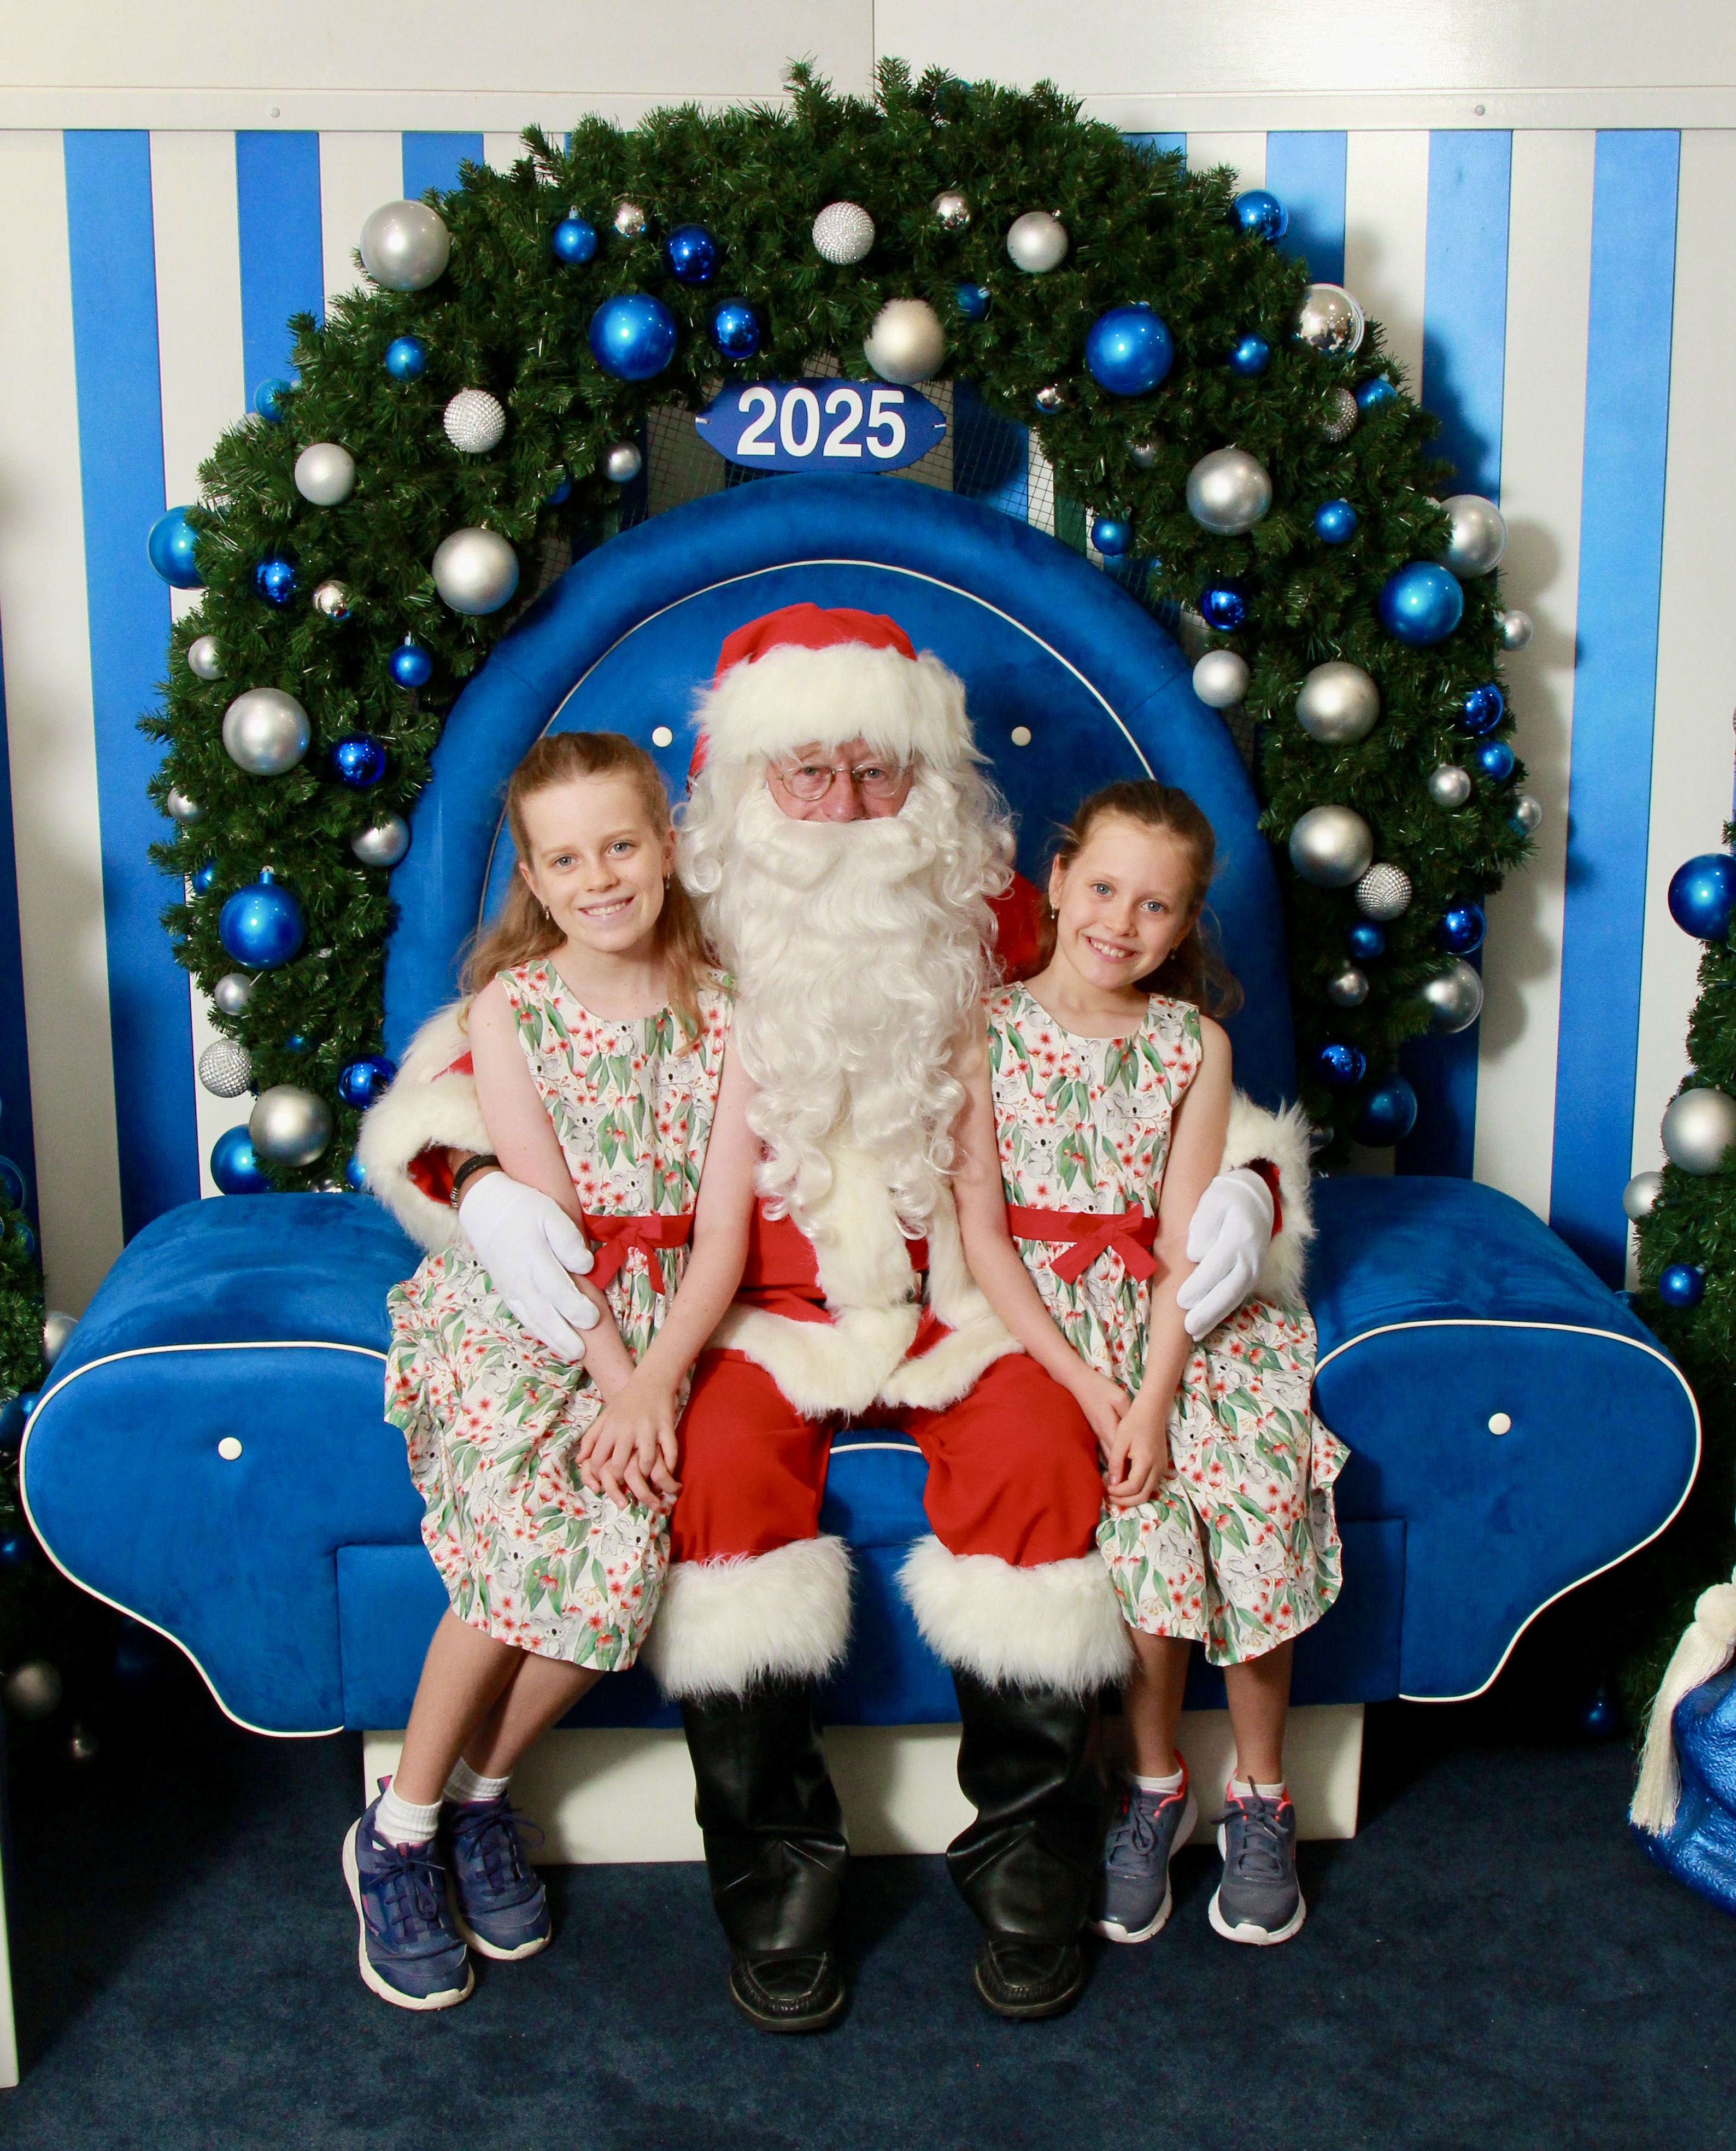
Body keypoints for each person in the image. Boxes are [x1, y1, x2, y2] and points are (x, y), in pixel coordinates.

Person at [360, 606, 1310, 2030]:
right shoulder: (678, 913)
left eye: (879, 774)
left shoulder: (996, 916)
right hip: (744, 1306)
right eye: (810, 775)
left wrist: (1249, 1187)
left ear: (935, 788)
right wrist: (479, 1185)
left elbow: (1153, 1075)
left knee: (1047, 1461)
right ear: (742, 792)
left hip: (973, 1301)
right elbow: (453, 1092)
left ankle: (1033, 1868)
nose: (848, 808)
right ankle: (777, 1884)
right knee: (722, 1480)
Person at [347, 730, 755, 2011]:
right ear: (532, 874)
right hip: (534, 1304)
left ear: (670, 845)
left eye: (621, 846)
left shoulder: (734, 1011)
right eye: (565, 858)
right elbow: (547, 1213)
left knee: (622, 1570)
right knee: (529, 1541)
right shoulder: (507, 1015)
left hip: (662, 1315)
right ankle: (397, 1834)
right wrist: (606, 1371)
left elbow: (726, 1230)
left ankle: (478, 1796)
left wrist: (650, 1384)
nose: (600, 878)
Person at [951, 778, 1345, 1954]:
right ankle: (1155, 1785)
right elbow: (982, 1235)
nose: (1121, 923)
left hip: (1177, 1332)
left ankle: (1261, 1798)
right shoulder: (982, 1032)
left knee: (1249, 1491)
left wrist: (1159, 1392)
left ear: (1185, 927)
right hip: (1056, 1328)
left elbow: (1183, 1242)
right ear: (1059, 880)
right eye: (1105, 889)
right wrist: (1091, 1390)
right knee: (1148, 1530)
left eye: (1156, 907)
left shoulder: (1195, 1046)